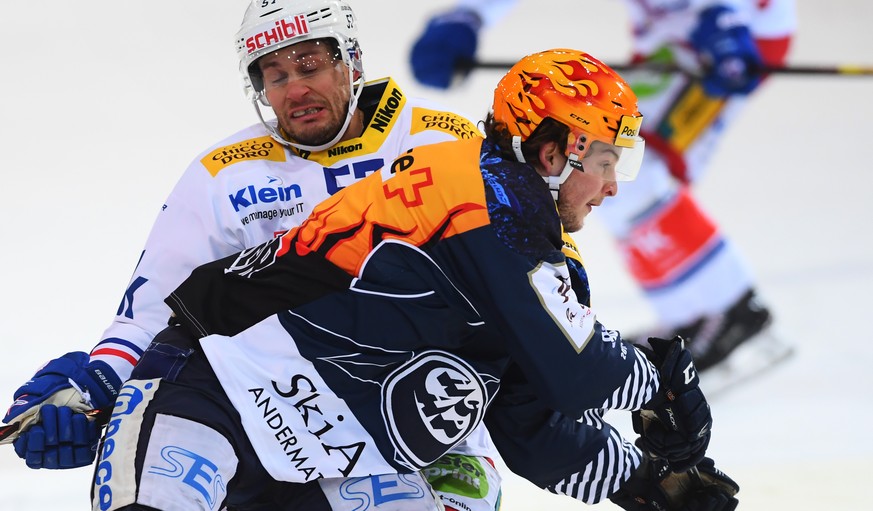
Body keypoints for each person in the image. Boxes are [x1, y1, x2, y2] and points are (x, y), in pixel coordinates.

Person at [88, 48, 738, 510]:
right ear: (553, 152)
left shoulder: (523, 242)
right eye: (603, 160)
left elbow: (531, 424)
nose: (612, 185)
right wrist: (662, 373)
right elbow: (577, 369)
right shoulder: (478, 199)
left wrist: (644, 481)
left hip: (330, 462)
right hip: (208, 389)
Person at [1, 1, 503, 509]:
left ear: (350, 61)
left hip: (424, 426)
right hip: (266, 421)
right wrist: (90, 388)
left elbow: (532, 271)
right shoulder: (224, 174)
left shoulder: (446, 142)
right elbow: (153, 311)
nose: (294, 89)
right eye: (275, 75)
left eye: (309, 66)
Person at [409, 0, 797, 385]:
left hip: (735, 31)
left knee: (619, 169)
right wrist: (469, 15)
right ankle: (698, 312)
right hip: (673, 30)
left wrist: (727, 13)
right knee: (614, 166)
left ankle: (732, 311)